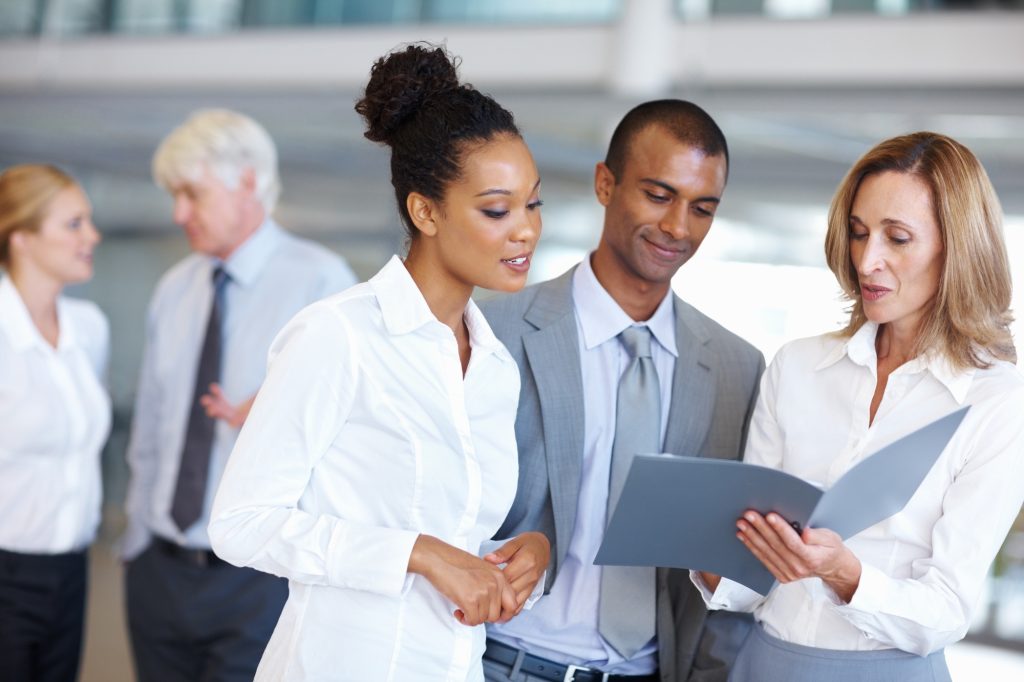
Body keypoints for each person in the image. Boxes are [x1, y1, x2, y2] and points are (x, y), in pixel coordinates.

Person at [208, 44, 550, 681]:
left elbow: (447, 530)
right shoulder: (338, 335)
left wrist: (517, 555)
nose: (526, 229)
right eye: (497, 209)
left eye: (533, 204)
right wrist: (417, 554)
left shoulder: (495, 367)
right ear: (425, 211)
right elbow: (240, 524)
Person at [694, 132, 1024, 682]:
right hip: (763, 663)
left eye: (898, 238)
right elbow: (749, 574)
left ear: (957, 248)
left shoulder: (996, 401)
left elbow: (948, 608)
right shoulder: (798, 366)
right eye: (858, 232)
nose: (868, 260)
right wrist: (702, 552)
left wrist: (846, 574)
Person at [480, 100, 765, 682]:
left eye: (702, 208)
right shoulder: (494, 332)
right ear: (605, 184)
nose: (678, 227)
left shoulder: (738, 368)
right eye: (659, 196)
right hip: (501, 662)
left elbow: (731, 569)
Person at [121, 108, 357, 682]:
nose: (178, 214)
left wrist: (280, 418)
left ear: (247, 181)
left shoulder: (323, 285)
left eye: (191, 194)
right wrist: (137, 543)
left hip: (257, 579)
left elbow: (355, 441)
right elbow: (151, 428)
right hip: (159, 570)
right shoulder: (174, 289)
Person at [0, 164, 109, 681]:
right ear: (21, 238)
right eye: (73, 224)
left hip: (71, 571)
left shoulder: (89, 328)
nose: (92, 236)